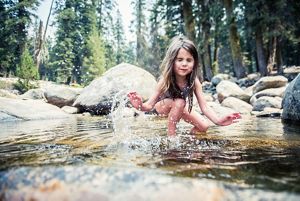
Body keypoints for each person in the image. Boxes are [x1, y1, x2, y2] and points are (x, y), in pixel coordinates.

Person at [127, 36, 241, 136]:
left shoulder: (194, 81)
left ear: (194, 63)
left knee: (204, 126)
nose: (184, 64)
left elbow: (205, 107)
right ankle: (171, 139)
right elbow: (148, 106)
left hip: (179, 106)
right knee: (180, 102)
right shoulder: (165, 80)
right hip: (162, 107)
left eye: (189, 60)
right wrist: (139, 105)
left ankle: (187, 140)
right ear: (172, 61)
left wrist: (218, 121)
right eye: (180, 60)